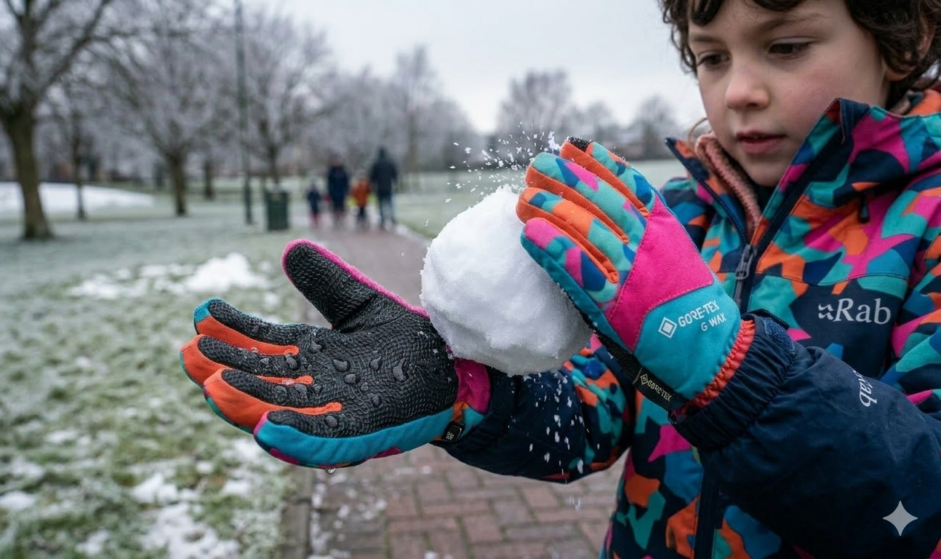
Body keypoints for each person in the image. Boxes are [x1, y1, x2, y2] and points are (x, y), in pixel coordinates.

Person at [179, 1, 941, 557]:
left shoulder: (929, 227)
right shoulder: (680, 218)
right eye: (712, 57)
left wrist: (728, 368)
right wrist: (462, 392)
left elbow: (925, 494)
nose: (738, 88)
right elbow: (593, 407)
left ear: (903, 37)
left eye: (786, 45)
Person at [368, 147, 398, 229]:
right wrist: (395, 182)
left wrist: (372, 185)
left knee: (381, 205)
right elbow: (395, 174)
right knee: (390, 204)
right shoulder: (390, 163)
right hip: (389, 186)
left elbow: (372, 176)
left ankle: (382, 220)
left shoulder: (376, 164)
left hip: (379, 187)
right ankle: (392, 218)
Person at [326, 157, 350, 229]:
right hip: (334, 193)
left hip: (341, 192)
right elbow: (329, 183)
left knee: (341, 206)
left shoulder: (343, 171)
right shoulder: (331, 172)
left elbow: (346, 182)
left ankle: (341, 219)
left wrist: (346, 190)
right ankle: (336, 220)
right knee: (335, 207)